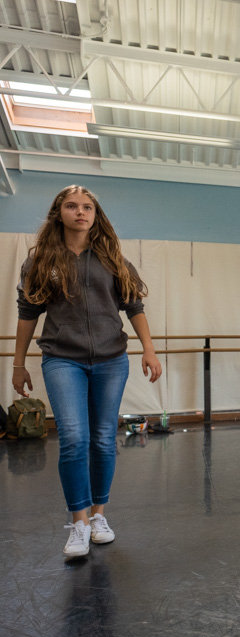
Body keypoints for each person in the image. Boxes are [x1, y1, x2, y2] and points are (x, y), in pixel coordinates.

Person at [12, 185, 162, 560]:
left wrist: (148, 349)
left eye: (87, 207)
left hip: (112, 360)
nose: (80, 212)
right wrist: (17, 364)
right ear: (58, 213)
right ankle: (78, 523)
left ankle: (99, 517)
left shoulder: (113, 259)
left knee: (102, 439)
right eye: (71, 206)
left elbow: (134, 305)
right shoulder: (40, 262)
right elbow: (28, 313)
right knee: (75, 439)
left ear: (95, 214)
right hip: (63, 359)